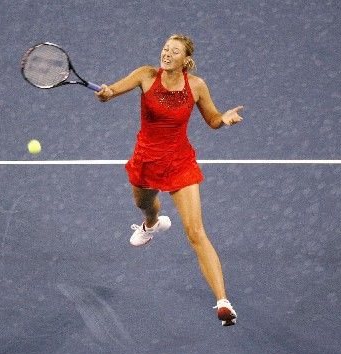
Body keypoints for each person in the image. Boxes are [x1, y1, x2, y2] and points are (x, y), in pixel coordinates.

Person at [95, 34, 243, 326]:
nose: (167, 54)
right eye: (165, 48)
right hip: (147, 159)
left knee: (196, 232)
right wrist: (105, 93)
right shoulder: (146, 75)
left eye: (174, 51)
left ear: (185, 60)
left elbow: (212, 119)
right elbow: (111, 92)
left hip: (179, 162)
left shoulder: (197, 86)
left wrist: (223, 119)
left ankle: (223, 303)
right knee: (145, 204)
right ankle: (152, 224)